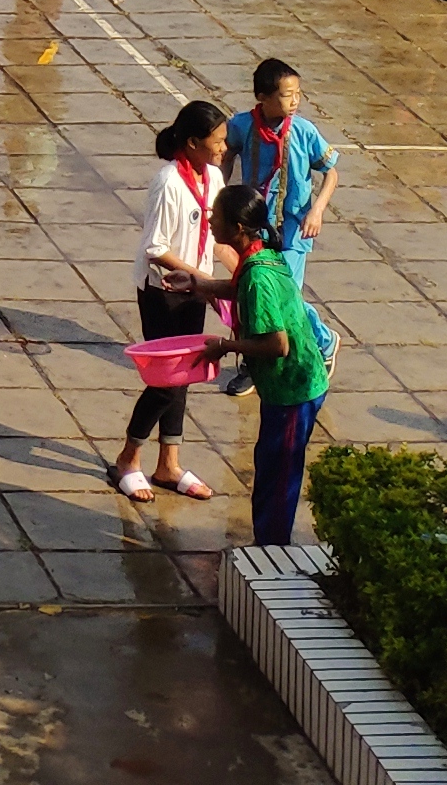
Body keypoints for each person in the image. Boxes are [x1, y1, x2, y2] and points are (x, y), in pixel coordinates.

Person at [198, 184, 331, 543]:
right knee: (269, 467)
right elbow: (239, 287)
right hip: (290, 388)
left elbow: (277, 343)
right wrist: (202, 284)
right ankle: (267, 544)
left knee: (278, 479)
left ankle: (272, 552)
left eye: (217, 217)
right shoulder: (263, 254)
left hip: (293, 389)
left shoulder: (257, 275)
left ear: (238, 229)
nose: (210, 221)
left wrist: (224, 346)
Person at [117, 100, 233, 502]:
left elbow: (217, 240)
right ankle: (129, 458)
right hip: (162, 292)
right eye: (216, 141)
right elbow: (155, 248)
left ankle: (169, 463)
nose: (222, 148)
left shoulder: (213, 177)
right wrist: (204, 282)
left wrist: (240, 279)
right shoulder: (168, 182)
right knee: (165, 381)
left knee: (188, 374)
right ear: (191, 143)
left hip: (195, 289)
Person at [221, 58, 338, 283]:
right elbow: (225, 156)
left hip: (294, 229)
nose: (294, 101)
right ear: (263, 98)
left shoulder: (304, 132)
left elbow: (331, 172)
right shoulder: (242, 125)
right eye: (286, 95)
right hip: (254, 225)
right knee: (257, 286)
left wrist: (317, 211)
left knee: (287, 292)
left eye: (298, 94)